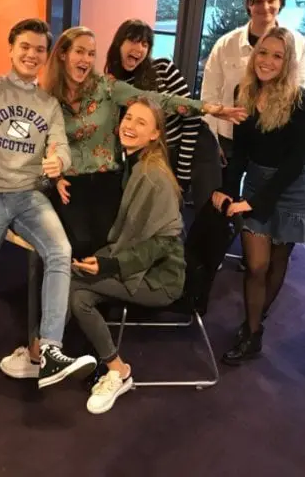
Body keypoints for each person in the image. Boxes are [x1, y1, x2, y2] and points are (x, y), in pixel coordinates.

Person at [0, 26, 246, 381]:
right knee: (55, 256)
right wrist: (54, 175)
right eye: (79, 51)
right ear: (63, 54)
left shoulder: (107, 88)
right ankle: (48, 348)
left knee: (79, 262)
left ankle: (59, 348)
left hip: (106, 185)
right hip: (69, 188)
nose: (86, 59)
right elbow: (40, 144)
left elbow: (157, 100)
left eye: (91, 53)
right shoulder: (46, 97)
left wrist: (210, 108)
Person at [0, 19, 97, 417]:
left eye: (39, 49)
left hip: (28, 195)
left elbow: (62, 148)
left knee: (60, 250)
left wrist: (58, 160)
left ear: (47, 56)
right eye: (24, 46)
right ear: (11, 48)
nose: (31, 54)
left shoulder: (49, 104)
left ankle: (50, 349)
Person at [211, 27, 305, 365]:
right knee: (256, 265)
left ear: (287, 61)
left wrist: (255, 202)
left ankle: (253, 327)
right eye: (263, 53)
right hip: (257, 180)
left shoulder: (301, 101)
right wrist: (228, 189)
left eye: (277, 56)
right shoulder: (243, 92)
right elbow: (240, 153)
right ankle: (253, 329)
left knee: (278, 261)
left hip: (293, 187)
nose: (267, 61)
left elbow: (295, 162)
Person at [70, 96, 186, 414]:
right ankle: (105, 365)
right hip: (140, 265)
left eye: (141, 122)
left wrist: (110, 264)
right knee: (75, 287)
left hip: (160, 278)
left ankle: (51, 352)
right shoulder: (132, 163)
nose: (130, 125)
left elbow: (164, 242)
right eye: (129, 117)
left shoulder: (153, 175)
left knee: (74, 285)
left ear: (155, 134)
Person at [105, 18, 222, 210]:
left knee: (209, 211)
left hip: (195, 146)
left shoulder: (162, 68)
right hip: (161, 155)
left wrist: (182, 172)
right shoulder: (114, 86)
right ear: (119, 43)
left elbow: (191, 116)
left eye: (145, 44)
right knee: (168, 212)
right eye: (133, 41)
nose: (139, 48)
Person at [201, 0, 305, 169]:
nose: (265, 7)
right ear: (249, 3)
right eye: (258, 0)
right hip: (229, 137)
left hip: (274, 143)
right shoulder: (226, 45)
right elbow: (209, 94)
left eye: (271, 0)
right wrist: (212, 141)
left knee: (262, 188)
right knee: (228, 186)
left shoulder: (297, 44)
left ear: (281, 3)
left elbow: (302, 92)